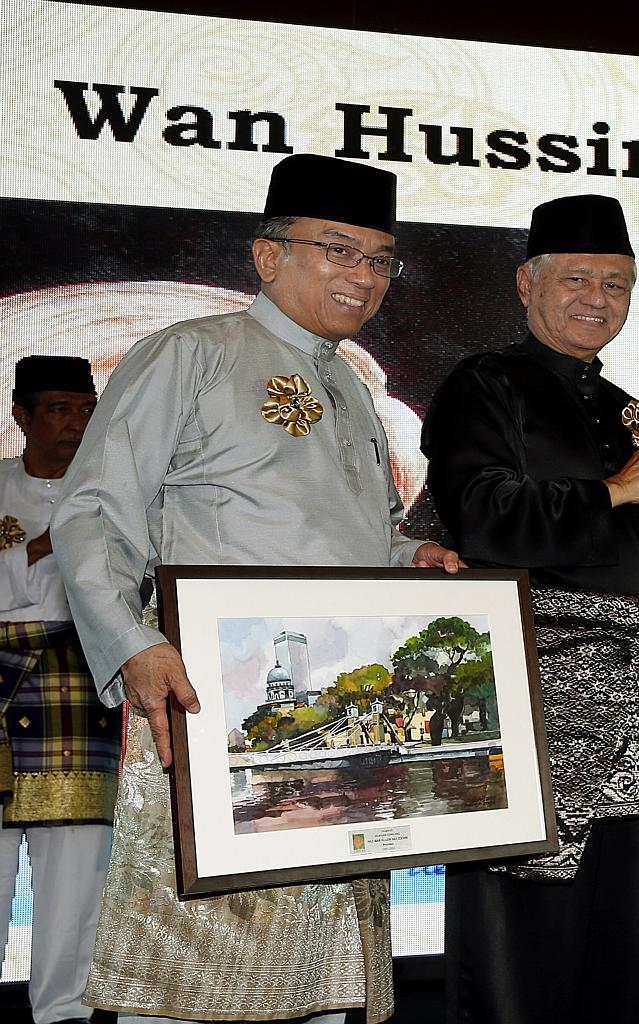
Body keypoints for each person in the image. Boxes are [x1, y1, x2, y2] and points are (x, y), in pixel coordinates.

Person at [51, 153, 460, 1024]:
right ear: (268, 256)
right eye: (337, 250)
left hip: (333, 706)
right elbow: (94, 512)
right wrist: (133, 643)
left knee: (322, 963)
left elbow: (343, 537)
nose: (362, 276)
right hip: (211, 697)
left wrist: (406, 558)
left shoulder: (350, 384)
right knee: (201, 962)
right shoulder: (191, 352)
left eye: (380, 260)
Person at [422, 193, 639, 1024]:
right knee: (518, 949)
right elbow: (481, 517)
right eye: (576, 279)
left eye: (616, 285)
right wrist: (613, 490)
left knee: (610, 950)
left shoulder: (632, 410)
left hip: (630, 712)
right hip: (529, 703)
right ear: (526, 283)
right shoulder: (485, 383)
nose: (596, 299)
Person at [0, 356, 116, 1024]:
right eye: (59, 409)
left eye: (86, 410)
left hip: (79, 679)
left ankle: (64, 1014)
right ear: (21, 415)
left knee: (76, 865)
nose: (76, 423)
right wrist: (42, 548)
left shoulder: (113, 495)